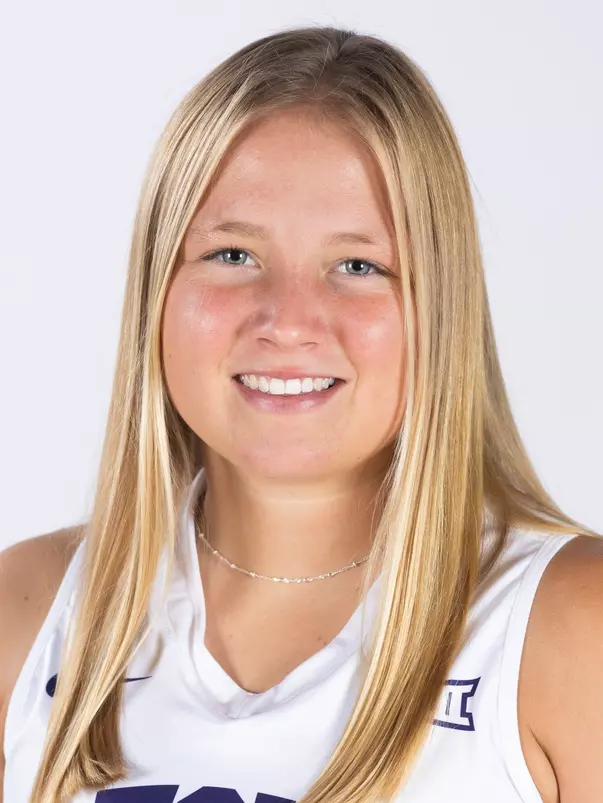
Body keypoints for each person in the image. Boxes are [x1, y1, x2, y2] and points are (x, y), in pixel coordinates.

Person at [0, 23, 601, 803]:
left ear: (440, 306)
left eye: (358, 265)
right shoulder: (30, 608)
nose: (286, 319)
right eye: (233, 255)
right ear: (158, 289)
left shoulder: (568, 627)